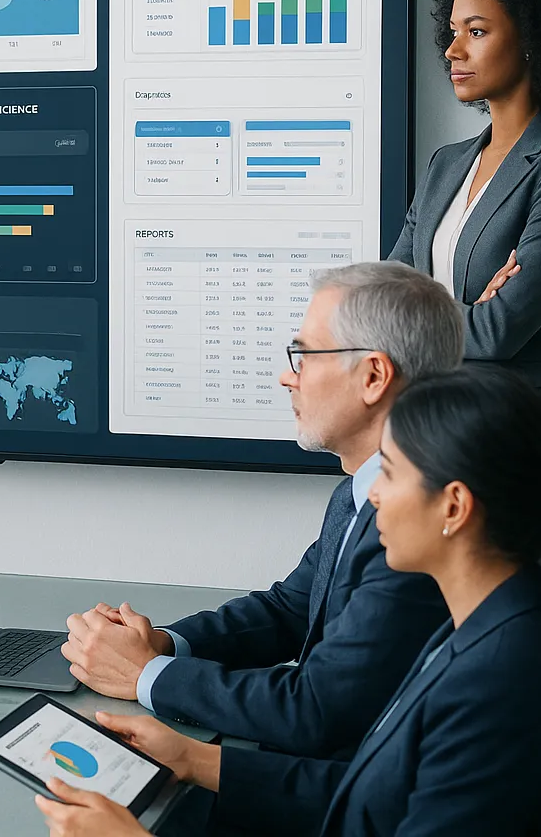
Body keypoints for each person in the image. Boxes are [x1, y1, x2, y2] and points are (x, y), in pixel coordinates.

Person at [35, 366, 541, 836]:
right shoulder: (479, 623)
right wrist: (193, 759)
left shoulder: (503, 680)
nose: (372, 492)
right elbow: (376, 796)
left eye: (393, 473)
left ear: (453, 507)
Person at [60, 262, 454, 759]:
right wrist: (162, 645)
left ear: (373, 376)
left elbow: (318, 711)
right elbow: (290, 610)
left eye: (304, 357)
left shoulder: (418, 524)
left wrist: (145, 676)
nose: (287, 377)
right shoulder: (360, 491)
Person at [389, 0, 541, 507]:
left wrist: (433, 312)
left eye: (477, 32)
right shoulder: (447, 164)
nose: (452, 50)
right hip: (435, 440)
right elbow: (381, 303)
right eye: (453, 31)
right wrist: (469, 309)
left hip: (526, 449)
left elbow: (499, 331)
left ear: (535, 39)